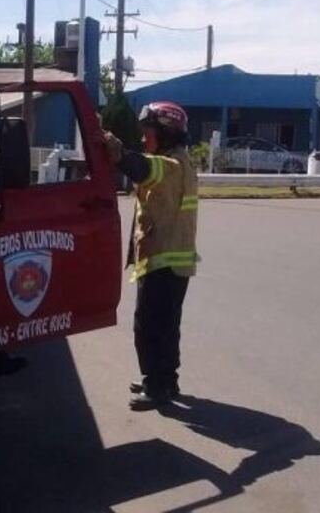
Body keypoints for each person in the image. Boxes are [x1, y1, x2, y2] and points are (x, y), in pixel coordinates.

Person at [104, 101, 198, 411]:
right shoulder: (178, 160)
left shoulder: (171, 165)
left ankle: (155, 386)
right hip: (174, 262)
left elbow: (145, 168)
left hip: (163, 261)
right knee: (167, 326)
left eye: (148, 133)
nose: (144, 140)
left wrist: (118, 153)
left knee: (147, 326)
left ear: (166, 133)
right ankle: (166, 380)